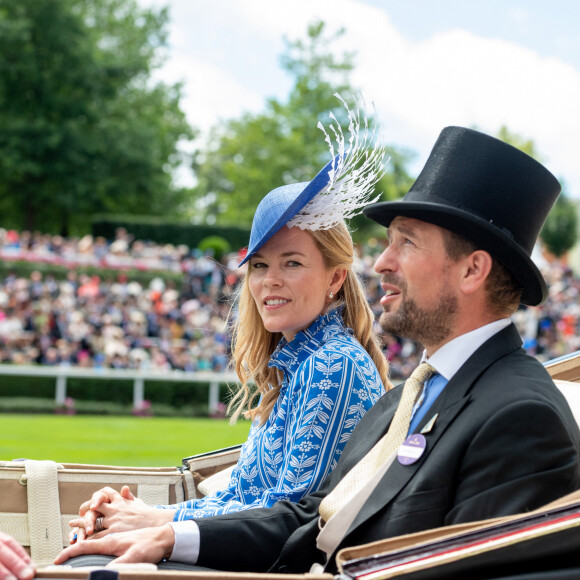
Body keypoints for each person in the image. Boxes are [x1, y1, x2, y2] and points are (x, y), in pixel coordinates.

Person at [56, 126, 580, 575]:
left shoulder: (520, 415)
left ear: (473, 270)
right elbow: (309, 519)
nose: (380, 264)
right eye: (259, 265)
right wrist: (167, 533)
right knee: (89, 560)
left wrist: (165, 529)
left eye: (407, 242)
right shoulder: (408, 401)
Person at [65, 96, 389, 543]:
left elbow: (287, 518)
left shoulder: (332, 364)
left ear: (335, 278)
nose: (269, 281)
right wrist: (137, 513)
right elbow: (242, 498)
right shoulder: (299, 363)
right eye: (259, 265)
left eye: (291, 263)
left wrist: (157, 524)